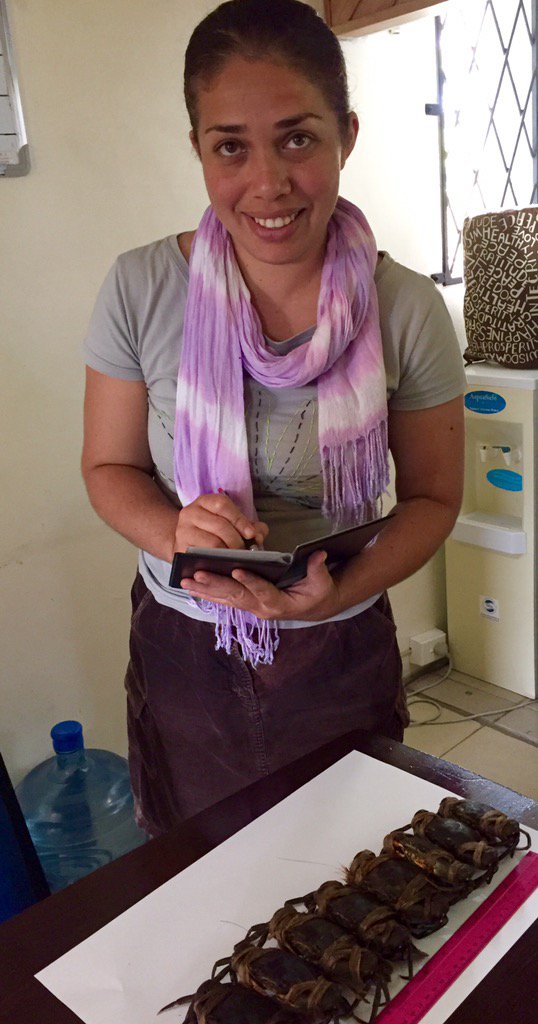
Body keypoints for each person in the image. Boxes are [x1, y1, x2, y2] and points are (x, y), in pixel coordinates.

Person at [82, 0, 465, 838]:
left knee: (356, 878)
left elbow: (434, 500)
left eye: (298, 137)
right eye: (232, 147)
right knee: (196, 885)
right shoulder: (140, 288)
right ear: (199, 150)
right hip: (184, 655)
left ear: (345, 135)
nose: (268, 183)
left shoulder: (406, 308)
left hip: (339, 649)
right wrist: (177, 530)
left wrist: (334, 599)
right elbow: (108, 471)